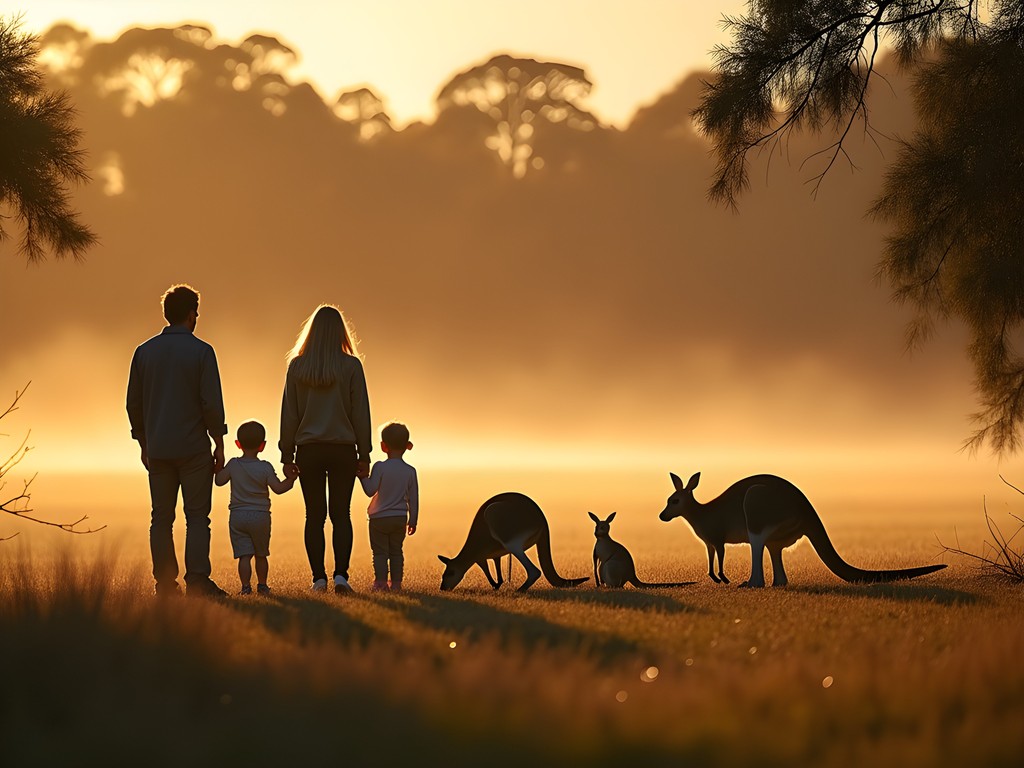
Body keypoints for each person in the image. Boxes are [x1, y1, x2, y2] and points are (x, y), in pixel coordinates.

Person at [126, 284, 228, 598]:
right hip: (194, 448)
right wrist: (219, 440)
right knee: (197, 516)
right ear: (190, 314)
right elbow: (210, 403)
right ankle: (197, 580)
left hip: (158, 447)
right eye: (196, 312)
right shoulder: (202, 351)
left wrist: (143, 440)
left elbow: (134, 403)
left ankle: (165, 584)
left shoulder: (144, 352)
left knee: (161, 518)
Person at [280, 304, 371, 593]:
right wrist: (365, 452)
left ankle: (318, 578)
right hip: (343, 449)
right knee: (341, 514)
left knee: (314, 516)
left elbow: (289, 414)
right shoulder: (351, 366)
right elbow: (361, 413)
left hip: (309, 450)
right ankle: (341, 575)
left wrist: (286, 454)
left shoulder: (298, 366)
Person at [215, 420, 297, 595]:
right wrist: (291, 479)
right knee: (261, 554)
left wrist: (217, 466)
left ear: (238, 444)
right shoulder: (265, 467)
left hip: (237, 515)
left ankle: (245, 587)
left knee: (244, 556)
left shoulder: (234, 464)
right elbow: (279, 489)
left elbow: (219, 481)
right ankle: (262, 585)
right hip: (260, 516)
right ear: (263, 446)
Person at [358, 422, 419, 592]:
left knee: (380, 553)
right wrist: (413, 520)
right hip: (400, 518)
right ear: (407, 446)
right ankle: (397, 584)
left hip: (379, 518)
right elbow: (413, 498)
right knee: (396, 552)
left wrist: (362, 477)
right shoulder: (410, 471)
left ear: (383, 446)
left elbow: (370, 490)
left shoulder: (380, 467)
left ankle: (381, 583)